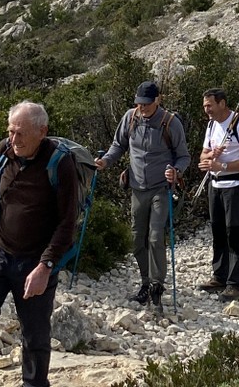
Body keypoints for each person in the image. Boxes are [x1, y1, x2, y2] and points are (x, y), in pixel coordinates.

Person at [0, 101, 78, 387]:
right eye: (11, 131)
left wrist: (46, 266)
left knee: (35, 336)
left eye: (21, 133)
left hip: (36, 261)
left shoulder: (60, 162)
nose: (14, 140)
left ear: (42, 131)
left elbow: (67, 223)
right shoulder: (3, 151)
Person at [96, 81, 190, 311]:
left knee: (156, 237)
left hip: (161, 188)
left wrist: (175, 172)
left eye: (147, 104)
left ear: (158, 100)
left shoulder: (170, 122)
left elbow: (184, 156)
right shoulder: (130, 118)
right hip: (137, 188)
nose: (143, 108)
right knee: (137, 239)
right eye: (139, 103)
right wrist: (106, 161)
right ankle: (146, 283)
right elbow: (119, 144)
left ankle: (157, 286)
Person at [197, 88, 239, 302]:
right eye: (205, 106)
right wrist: (211, 156)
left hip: (236, 185)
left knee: (235, 232)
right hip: (215, 185)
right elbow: (203, 153)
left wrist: (222, 164)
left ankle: (236, 284)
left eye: (209, 105)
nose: (207, 110)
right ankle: (220, 276)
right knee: (218, 231)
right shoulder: (212, 125)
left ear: (222, 103)